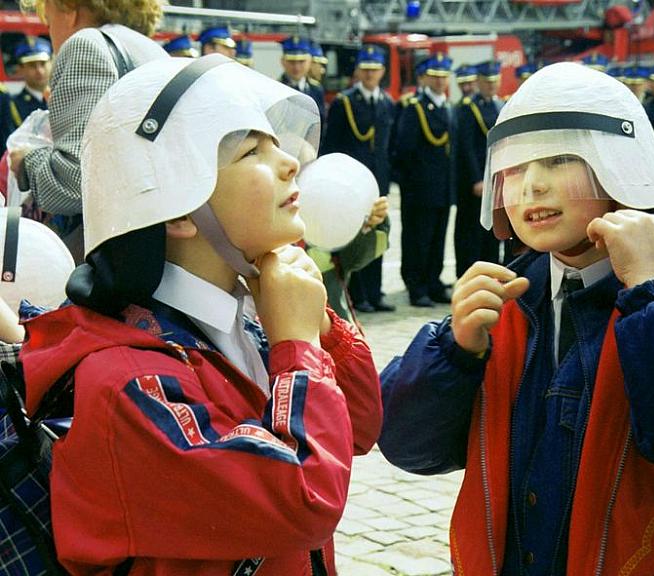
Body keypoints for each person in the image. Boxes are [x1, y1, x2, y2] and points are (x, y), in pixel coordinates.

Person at [379, 62, 654, 575]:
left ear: (620, 165)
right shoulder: (502, 305)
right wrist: (455, 353)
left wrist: (649, 293)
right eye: (514, 167)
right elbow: (406, 446)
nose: (531, 186)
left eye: (557, 160)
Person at [19, 55, 382, 575]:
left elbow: (362, 428)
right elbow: (305, 500)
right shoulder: (128, 382)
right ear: (182, 211)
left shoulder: (249, 315)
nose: (288, 163)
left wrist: (316, 327)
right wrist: (299, 346)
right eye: (252, 151)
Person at [11, 0, 168, 263]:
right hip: (156, 249)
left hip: (112, 259)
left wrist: (26, 161)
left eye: (49, 21)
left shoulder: (85, 45)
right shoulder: (148, 49)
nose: (50, 34)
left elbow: (74, 182)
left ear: (69, 10)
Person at [323, 44, 395, 313]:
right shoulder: (346, 102)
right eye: (365, 70)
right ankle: (358, 294)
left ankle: (375, 292)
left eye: (374, 70)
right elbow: (333, 145)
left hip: (379, 181)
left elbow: (391, 145)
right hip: (351, 184)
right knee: (355, 235)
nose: (369, 75)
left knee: (378, 233)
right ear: (358, 71)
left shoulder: (387, 102)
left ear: (382, 72)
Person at [395, 53, 456, 307]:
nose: (440, 81)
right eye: (435, 76)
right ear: (423, 78)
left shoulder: (447, 107)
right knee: (418, 239)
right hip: (420, 188)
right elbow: (404, 150)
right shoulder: (415, 108)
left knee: (438, 239)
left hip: (443, 187)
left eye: (444, 76)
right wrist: (410, 185)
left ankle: (433, 281)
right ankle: (416, 286)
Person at [454, 60, 502, 277]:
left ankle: (491, 274)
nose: (491, 85)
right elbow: (466, 146)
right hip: (477, 181)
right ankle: (469, 274)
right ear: (478, 82)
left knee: (492, 232)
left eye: (494, 80)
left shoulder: (500, 105)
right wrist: (476, 179)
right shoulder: (469, 108)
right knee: (470, 231)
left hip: (495, 178)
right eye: (486, 81)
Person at [278, 36, 325, 126]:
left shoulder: (316, 90)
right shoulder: (275, 89)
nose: (296, 67)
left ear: (310, 61)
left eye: (301, 61)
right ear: (282, 61)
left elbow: (321, 124)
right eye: (291, 62)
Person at [9, 36, 52, 128]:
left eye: (43, 64)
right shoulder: (13, 106)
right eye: (32, 65)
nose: (39, 71)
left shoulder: (62, 99)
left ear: (51, 63)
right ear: (21, 69)